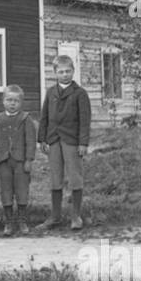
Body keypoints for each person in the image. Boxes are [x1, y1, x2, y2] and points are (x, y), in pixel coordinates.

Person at [37, 54, 92, 230]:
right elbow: (44, 116)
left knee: (75, 176)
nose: (65, 74)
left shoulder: (80, 94)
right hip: (53, 139)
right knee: (55, 177)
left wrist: (83, 143)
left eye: (68, 71)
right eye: (61, 71)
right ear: (55, 73)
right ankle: (55, 216)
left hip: (72, 140)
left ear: (73, 71)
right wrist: (42, 138)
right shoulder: (51, 92)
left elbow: (85, 120)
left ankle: (75, 216)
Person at [0, 84, 38, 237]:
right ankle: (8, 222)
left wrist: (29, 159)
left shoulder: (25, 118)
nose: (12, 103)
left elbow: (30, 141)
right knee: (6, 190)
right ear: (3, 101)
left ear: (21, 102)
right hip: (3, 161)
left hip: (21, 161)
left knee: (22, 189)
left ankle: (22, 220)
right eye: (9, 100)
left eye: (16, 101)